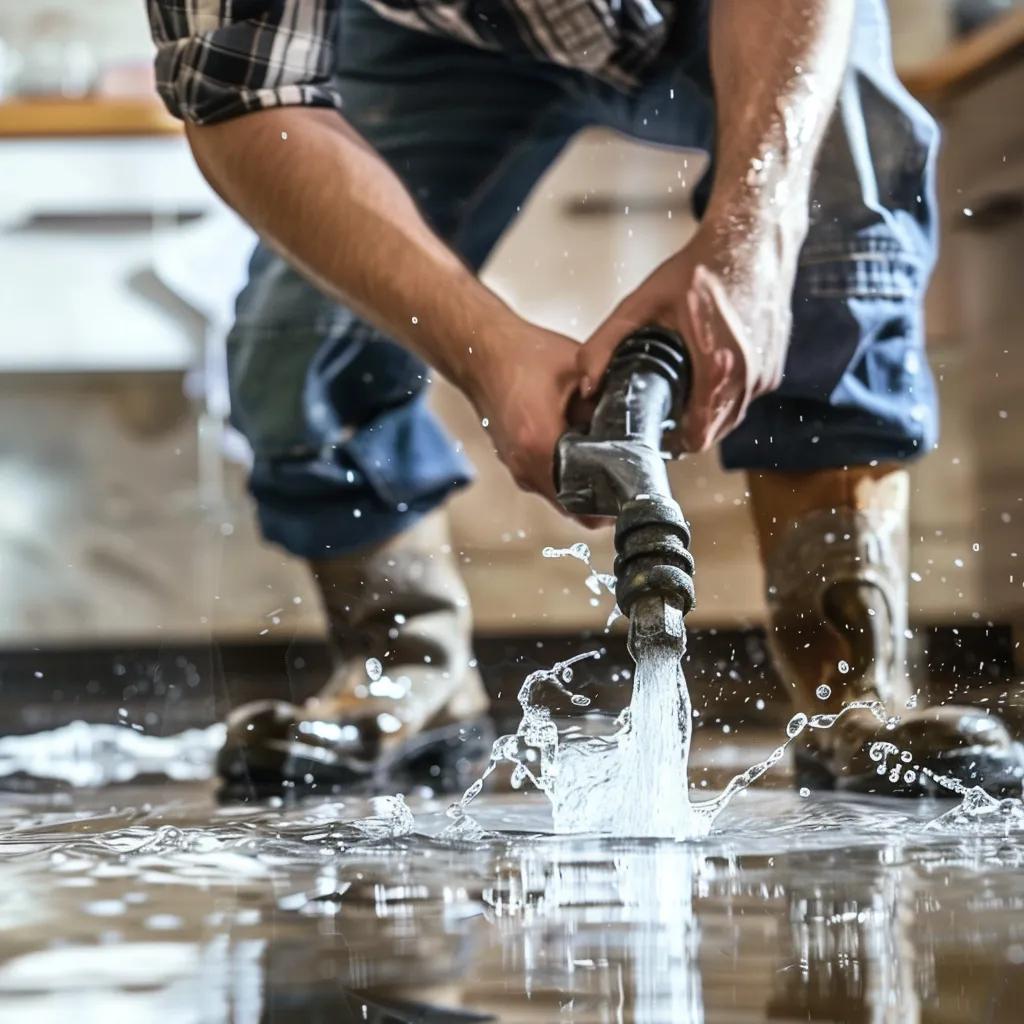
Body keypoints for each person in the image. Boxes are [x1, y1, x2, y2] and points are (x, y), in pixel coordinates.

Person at [148, 0, 1023, 798]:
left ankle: (851, 691)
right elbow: (244, 97)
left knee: (837, 214)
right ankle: (403, 668)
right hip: (432, 39)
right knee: (297, 344)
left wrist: (752, 237)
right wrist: (487, 352)